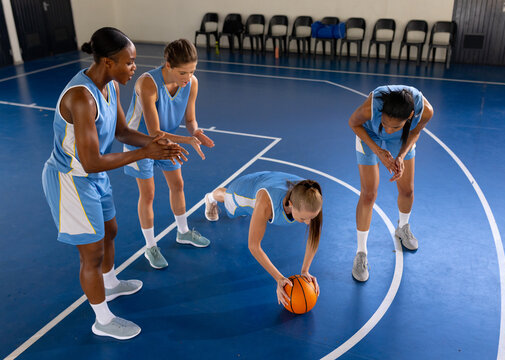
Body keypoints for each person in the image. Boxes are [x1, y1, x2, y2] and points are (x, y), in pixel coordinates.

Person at [41, 27, 186, 340]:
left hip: (94, 175)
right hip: (72, 179)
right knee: (90, 254)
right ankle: (102, 320)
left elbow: (122, 132)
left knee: (111, 231)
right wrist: (146, 152)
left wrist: (155, 143)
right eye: (129, 62)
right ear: (108, 62)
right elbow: (91, 160)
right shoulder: (81, 98)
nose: (134, 67)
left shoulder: (111, 88)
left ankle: (110, 283)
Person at [123, 39, 215, 270]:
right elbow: (153, 131)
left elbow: (190, 119)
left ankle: (183, 232)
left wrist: (197, 132)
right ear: (168, 65)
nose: (187, 77)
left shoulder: (191, 83)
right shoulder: (148, 84)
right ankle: (150, 246)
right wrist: (186, 139)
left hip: (167, 140)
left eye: (192, 71)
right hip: (140, 143)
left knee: (178, 185)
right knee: (149, 195)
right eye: (182, 72)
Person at [348, 85, 434, 282]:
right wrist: (379, 151)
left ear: (411, 115)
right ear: (381, 112)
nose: (388, 129)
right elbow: (353, 123)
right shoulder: (371, 107)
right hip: (369, 133)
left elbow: (416, 131)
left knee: (407, 189)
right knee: (369, 194)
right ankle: (361, 252)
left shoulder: (425, 111)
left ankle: (402, 227)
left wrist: (401, 156)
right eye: (385, 123)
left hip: (402, 139)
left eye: (394, 126)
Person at [204, 171, 322, 306]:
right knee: (227, 198)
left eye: (311, 218)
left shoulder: (311, 198)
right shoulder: (266, 204)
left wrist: (305, 270)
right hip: (244, 189)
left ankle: (255, 215)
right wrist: (279, 278)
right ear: (290, 204)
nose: (308, 222)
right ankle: (210, 198)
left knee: (256, 215)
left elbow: (314, 236)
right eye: (303, 218)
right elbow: (254, 246)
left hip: (270, 181)